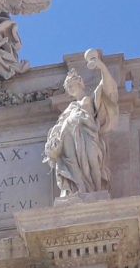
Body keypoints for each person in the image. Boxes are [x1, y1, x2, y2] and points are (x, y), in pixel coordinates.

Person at [43, 51, 119, 196]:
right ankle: (79, 189)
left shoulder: (90, 99)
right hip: (68, 137)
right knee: (72, 164)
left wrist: (101, 67)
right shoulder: (69, 108)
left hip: (86, 134)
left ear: (81, 83)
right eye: (68, 86)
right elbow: (58, 128)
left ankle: (96, 190)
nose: (71, 87)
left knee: (92, 159)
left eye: (72, 84)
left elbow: (107, 89)